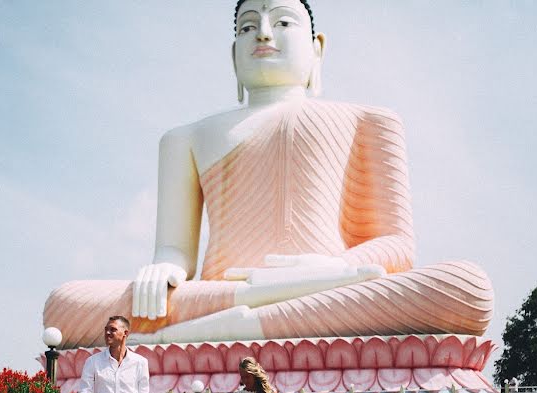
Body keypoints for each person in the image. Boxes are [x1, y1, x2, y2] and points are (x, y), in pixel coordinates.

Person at [43, 0, 494, 348]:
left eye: (282, 22)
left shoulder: (369, 120)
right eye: (247, 26)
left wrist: (331, 268)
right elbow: (174, 251)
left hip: (332, 288)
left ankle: (188, 339)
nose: (262, 33)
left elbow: (398, 248)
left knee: (465, 287)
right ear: (233, 54)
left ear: (317, 47)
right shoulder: (187, 137)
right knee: (64, 305)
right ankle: (223, 317)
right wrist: (164, 268)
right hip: (225, 294)